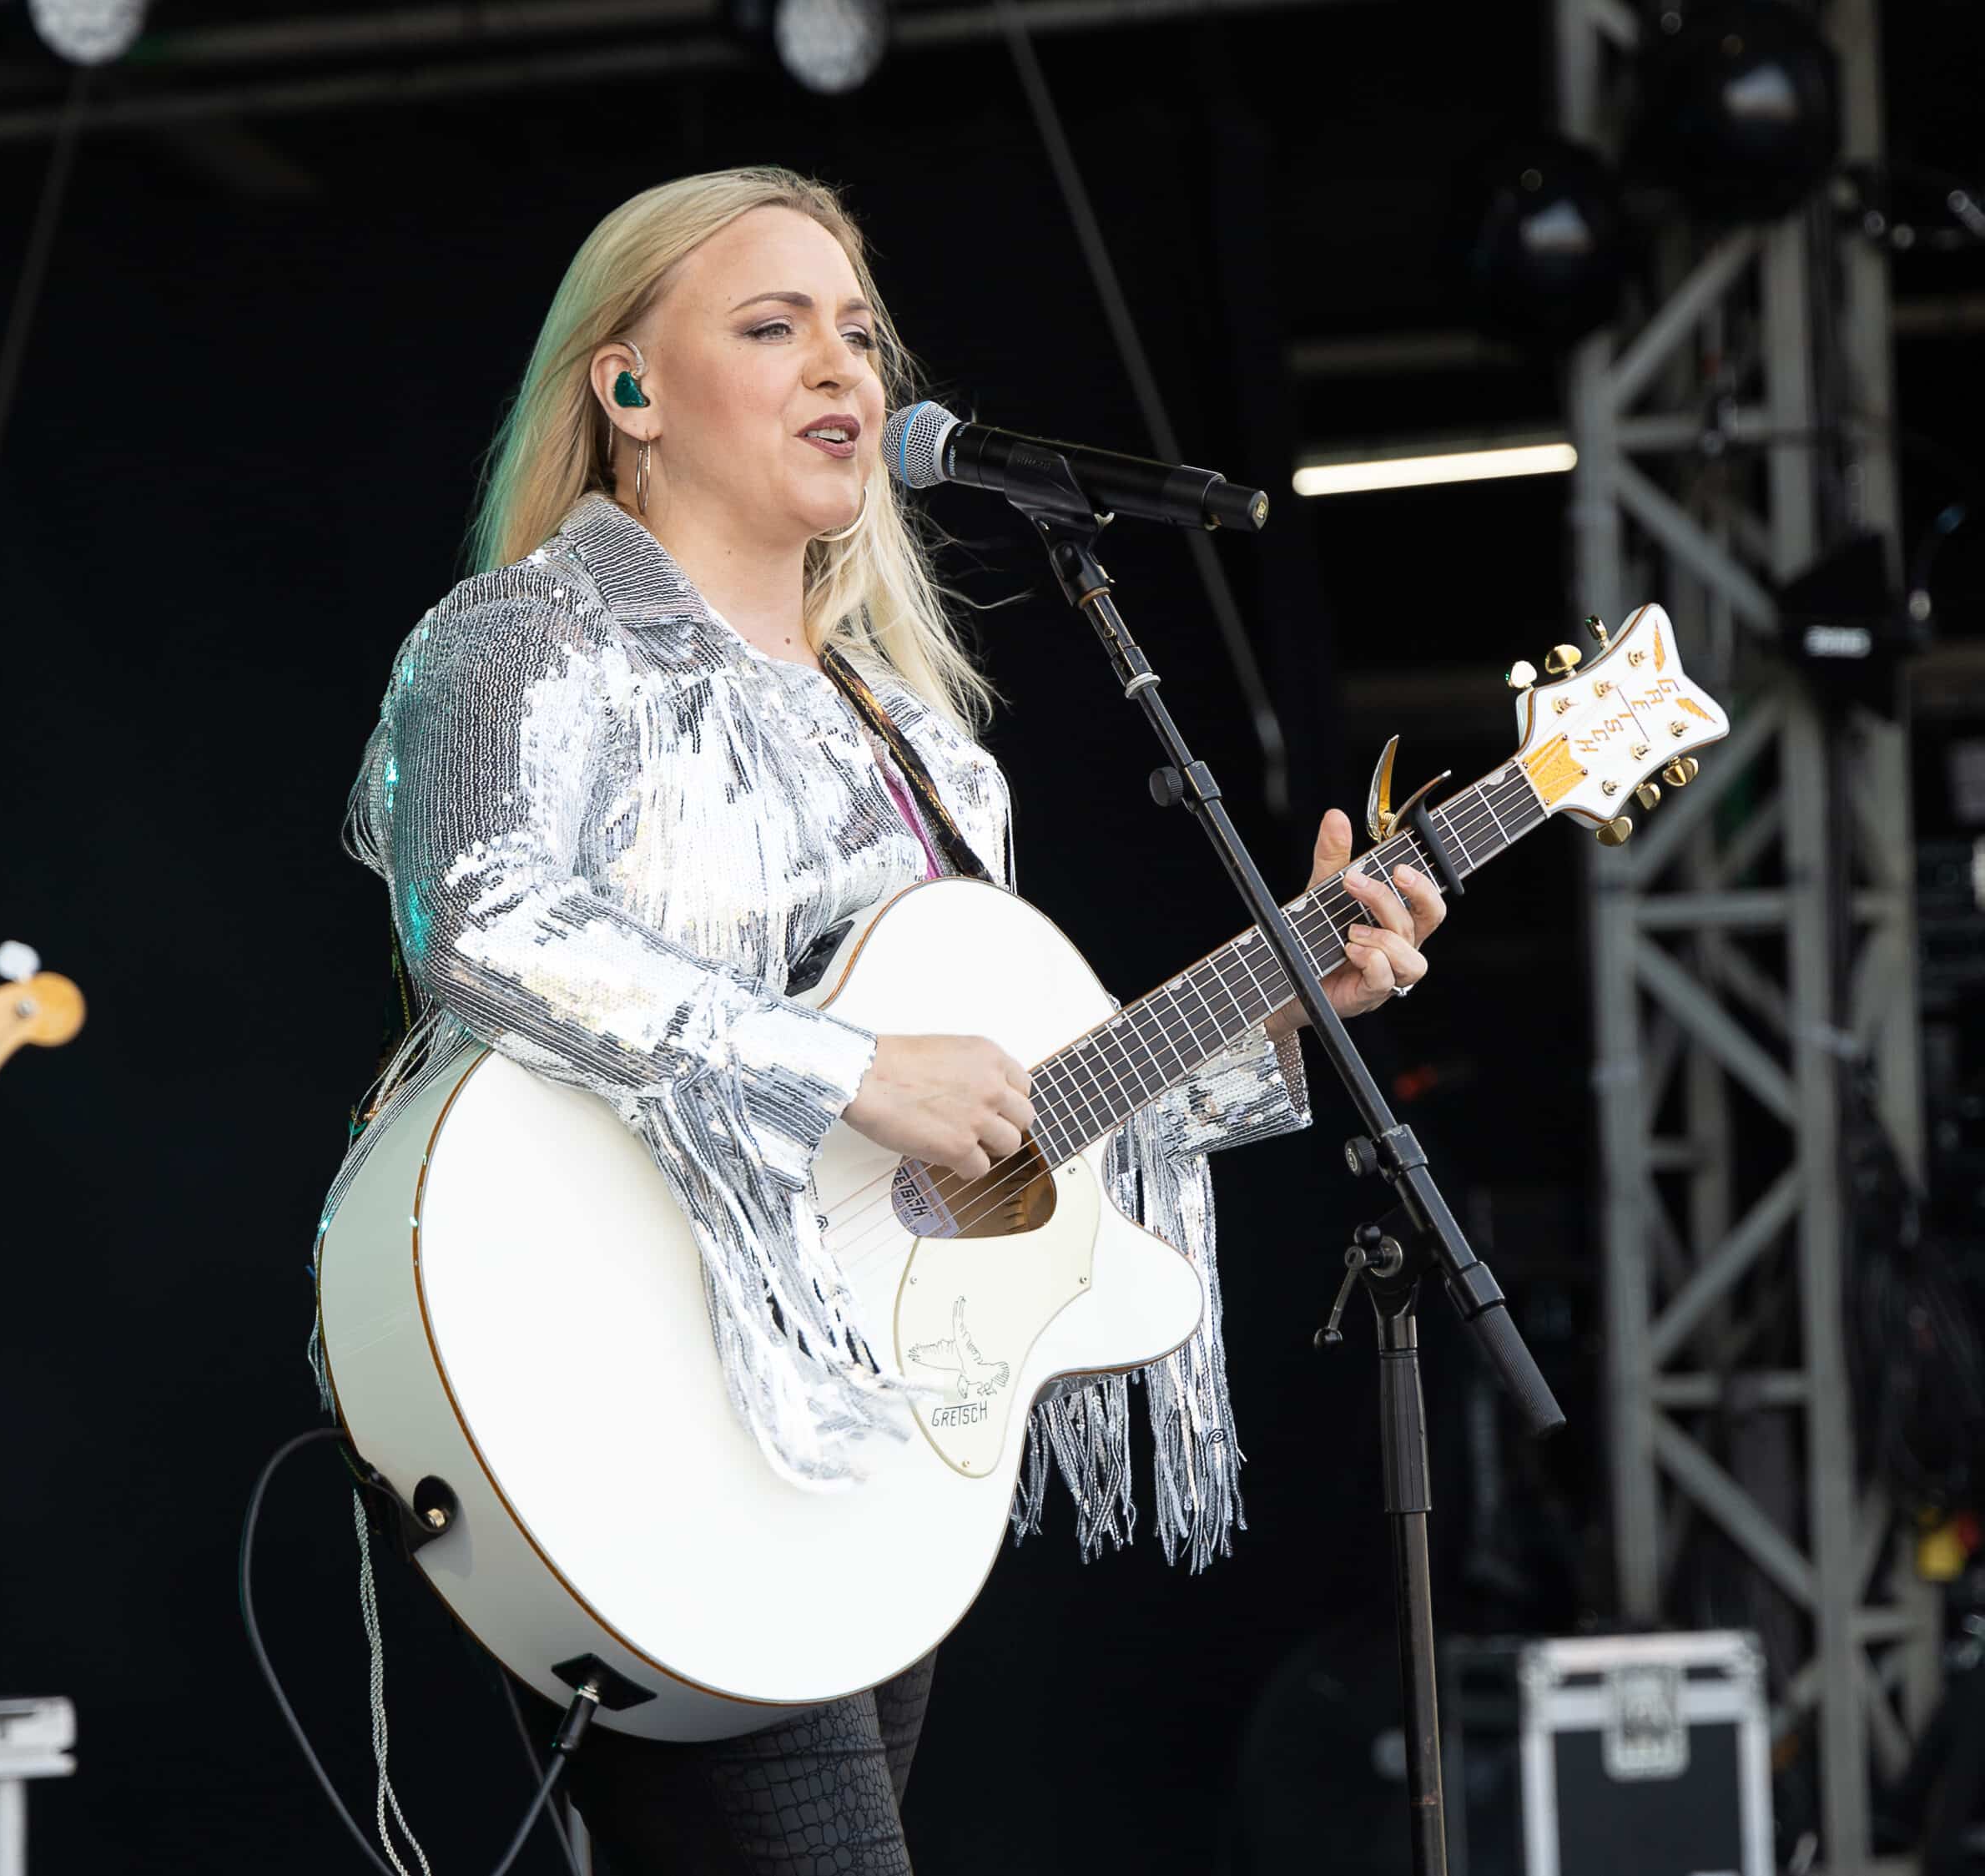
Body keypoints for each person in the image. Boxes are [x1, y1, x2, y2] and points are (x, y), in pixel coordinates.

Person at [318, 166, 1446, 1874]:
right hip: (625, 1390)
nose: (842, 368)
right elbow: (483, 917)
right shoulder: (522, 638)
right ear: (624, 387)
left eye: (856, 331)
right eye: (770, 327)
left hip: (868, 1424)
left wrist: (1288, 1015)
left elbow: (993, 1116)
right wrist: (847, 1070)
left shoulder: (914, 736)